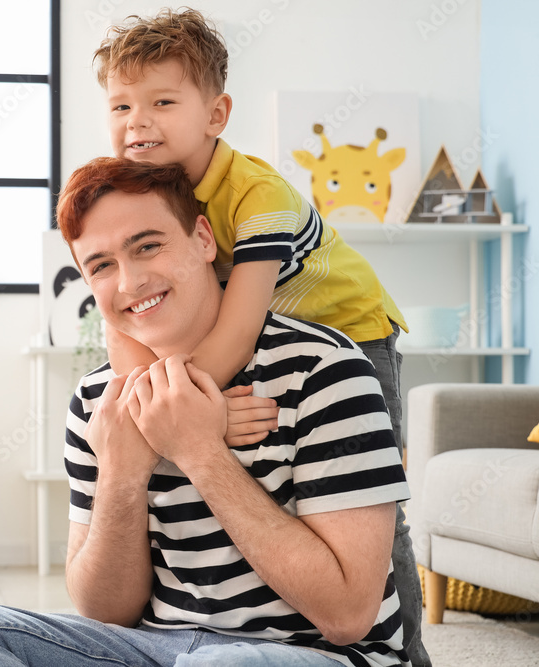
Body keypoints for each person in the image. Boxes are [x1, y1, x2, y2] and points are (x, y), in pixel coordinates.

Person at [0, 158, 412, 667]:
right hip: (154, 650)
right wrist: (121, 471)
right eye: (102, 266)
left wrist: (201, 451)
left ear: (204, 239)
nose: (129, 282)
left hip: (310, 655)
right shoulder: (99, 403)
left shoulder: (324, 369)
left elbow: (348, 615)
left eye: (148, 246)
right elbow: (106, 612)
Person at [92, 9, 427, 665]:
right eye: (121, 105)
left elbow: (238, 327)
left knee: (372, 506)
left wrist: (195, 416)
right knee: (264, 467)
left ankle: (406, 652)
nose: (138, 122)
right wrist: (152, 400)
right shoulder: (131, 189)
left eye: (163, 101)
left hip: (353, 332)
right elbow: (122, 327)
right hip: (274, 333)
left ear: (216, 115)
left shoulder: (257, 194)